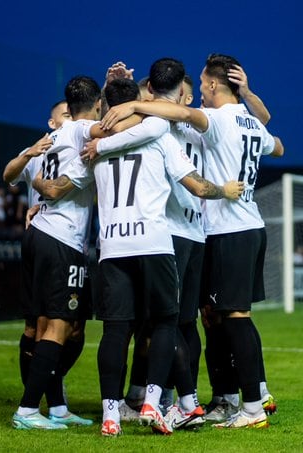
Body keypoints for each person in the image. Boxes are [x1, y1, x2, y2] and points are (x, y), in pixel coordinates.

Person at [34, 73, 244, 436]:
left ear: (105, 107)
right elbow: (196, 185)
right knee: (165, 323)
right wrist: (223, 191)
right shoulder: (158, 134)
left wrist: (38, 198)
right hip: (154, 243)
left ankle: (111, 415)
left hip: (112, 248)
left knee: (116, 330)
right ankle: (152, 401)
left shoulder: (93, 147)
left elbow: (62, 186)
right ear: (137, 102)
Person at [100, 53, 284, 429]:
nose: (197, 94)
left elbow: (163, 116)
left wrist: (131, 100)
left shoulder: (203, 121)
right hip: (234, 228)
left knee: (205, 319)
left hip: (213, 228)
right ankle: (236, 395)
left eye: (202, 85)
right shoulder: (245, 121)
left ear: (213, 85)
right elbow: (275, 143)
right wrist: (248, 94)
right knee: (209, 318)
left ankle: (228, 401)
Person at [11, 77, 101, 430]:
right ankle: (28, 409)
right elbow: (110, 128)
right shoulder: (80, 130)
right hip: (62, 239)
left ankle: (57, 406)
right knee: (57, 327)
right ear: (95, 106)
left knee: (55, 326)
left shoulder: (52, 139)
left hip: (41, 234)